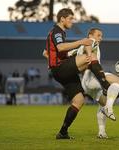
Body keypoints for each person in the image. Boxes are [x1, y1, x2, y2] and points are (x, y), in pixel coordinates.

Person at [44, 8, 112, 139]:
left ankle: (63, 132)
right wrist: (81, 42)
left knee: (79, 100)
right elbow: (61, 47)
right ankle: (106, 85)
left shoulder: (58, 32)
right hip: (61, 68)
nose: (72, 21)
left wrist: (49, 59)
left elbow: (47, 52)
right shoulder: (57, 31)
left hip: (59, 70)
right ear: (62, 19)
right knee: (90, 57)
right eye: (70, 18)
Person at [70, 28, 119, 138]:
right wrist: (90, 49)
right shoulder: (91, 41)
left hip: (86, 84)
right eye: (98, 35)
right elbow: (89, 43)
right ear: (91, 35)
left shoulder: (78, 48)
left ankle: (101, 132)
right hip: (92, 77)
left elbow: (69, 53)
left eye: (102, 36)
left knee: (103, 103)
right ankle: (109, 108)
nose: (101, 38)